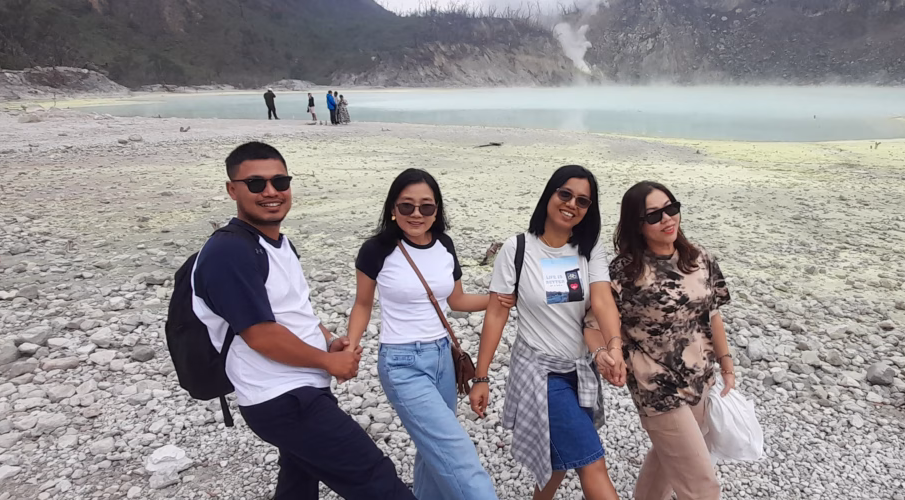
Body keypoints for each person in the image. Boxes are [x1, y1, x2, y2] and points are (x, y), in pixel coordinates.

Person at [191, 142, 415, 500]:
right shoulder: (229, 252)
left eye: (280, 181)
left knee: (298, 483)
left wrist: (327, 340)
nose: (270, 192)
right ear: (232, 189)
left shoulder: (276, 243)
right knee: (374, 478)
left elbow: (294, 313)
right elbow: (261, 334)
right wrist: (328, 361)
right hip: (281, 398)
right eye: (255, 184)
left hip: (299, 390)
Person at [346, 168, 508, 500]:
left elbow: (457, 300)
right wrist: (350, 345)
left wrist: (500, 299)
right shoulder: (377, 250)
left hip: (442, 359)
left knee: (432, 445)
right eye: (406, 206)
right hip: (402, 363)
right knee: (456, 450)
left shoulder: (444, 245)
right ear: (393, 209)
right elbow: (363, 304)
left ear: (437, 210)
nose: (417, 214)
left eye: (426, 207)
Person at [471, 165, 628, 500]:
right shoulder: (517, 249)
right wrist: (481, 377)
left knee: (558, 460)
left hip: (580, 368)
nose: (572, 204)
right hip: (540, 374)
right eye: (565, 194)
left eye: (583, 201)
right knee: (591, 462)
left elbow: (601, 299)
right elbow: (497, 313)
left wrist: (614, 347)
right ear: (550, 194)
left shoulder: (589, 248)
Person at [605, 181, 733, 500]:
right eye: (654, 215)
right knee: (702, 485)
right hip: (655, 386)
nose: (666, 219)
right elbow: (597, 321)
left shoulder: (699, 258)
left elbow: (712, 314)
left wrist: (727, 364)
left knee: (666, 461)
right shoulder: (625, 271)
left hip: (700, 377)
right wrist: (607, 354)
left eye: (671, 208)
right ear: (637, 224)